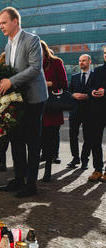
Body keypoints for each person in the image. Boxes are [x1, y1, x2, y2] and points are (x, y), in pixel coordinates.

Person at [0, 7, 48, 197]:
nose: (1, 26)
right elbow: (11, 71)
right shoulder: (8, 45)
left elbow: (35, 68)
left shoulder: (32, 40)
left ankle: (31, 185)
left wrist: (11, 81)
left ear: (15, 21)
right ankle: (19, 179)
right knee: (16, 139)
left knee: (32, 142)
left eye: (4, 22)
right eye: (0, 23)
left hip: (34, 98)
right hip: (17, 100)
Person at [39, 40, 68, 182]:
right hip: (37, 106)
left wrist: (49, 83)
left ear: (44, 49)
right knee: (39, 139)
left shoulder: (56, 62)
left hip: (52, 106)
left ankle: (48, 170)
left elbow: (64, 83)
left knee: (51, 137)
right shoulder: (32, 64)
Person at [67, 54, 93, 170]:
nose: (81, 63)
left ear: (89, 62)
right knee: (73, 136)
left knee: (88, 137)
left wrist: (88, 96)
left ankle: (84, 160)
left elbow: (97, 92)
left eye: (83, 61)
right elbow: (69, 91)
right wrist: (73, 95)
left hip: (89, 111)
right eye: (79, 61)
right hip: (75, 111)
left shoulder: (95, 76)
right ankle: (75, 158)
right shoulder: (74, 76)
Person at [87, 46, 106, 182]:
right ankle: (98, 170)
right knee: (95, 141)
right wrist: (92, 91)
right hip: (97, 111)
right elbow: (89, 87)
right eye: (105, 53)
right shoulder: (98, 70)